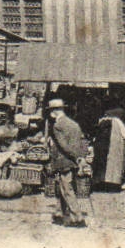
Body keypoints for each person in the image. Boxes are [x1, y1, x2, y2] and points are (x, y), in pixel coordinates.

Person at [46, 98, 90, 228]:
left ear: (55, 111)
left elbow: (64, 146)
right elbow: (83, 142)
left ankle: (78, 218)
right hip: (72, 161)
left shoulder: (58, 125)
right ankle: (58, 214)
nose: (50, 114)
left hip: (64, 161)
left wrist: (76, 157)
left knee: (67, 190)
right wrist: (81, 157)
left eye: (50, 111)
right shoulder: (73, 124)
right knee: (63, 188)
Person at [92, 104, 125, 192]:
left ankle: (99, 184)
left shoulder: (103, 119)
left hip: (102, 140)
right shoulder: (123, 115)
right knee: (115, 162)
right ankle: (113, 186)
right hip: (115, 138)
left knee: (101, 162)